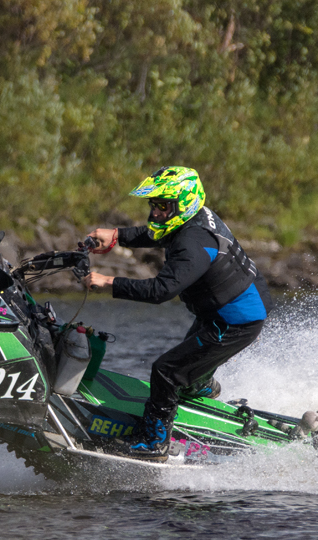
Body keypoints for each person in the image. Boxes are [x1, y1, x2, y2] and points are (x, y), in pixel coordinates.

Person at [82, 166, 270, 461]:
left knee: (166, 371)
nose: (155, 212)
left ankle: (153, 443)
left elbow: (161, 291)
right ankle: (201, 383)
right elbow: (158, 232)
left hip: (235, 321)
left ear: (183, 203)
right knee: (185, 370)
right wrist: (118, 236)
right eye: (153, 205)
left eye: (162, 206)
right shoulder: (193, 218)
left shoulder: (194, 242)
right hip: (226, 308)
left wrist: (108, 281)